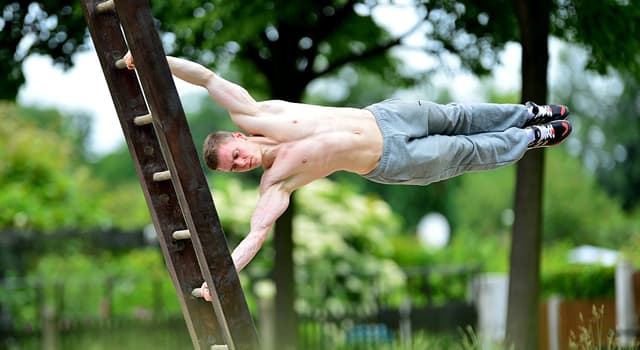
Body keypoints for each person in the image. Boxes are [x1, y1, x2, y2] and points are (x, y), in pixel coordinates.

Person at [124, 54, 571, 299]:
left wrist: (146, 59)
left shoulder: (258, 112)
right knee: (464, 151)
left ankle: (528, 113)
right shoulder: (276, 183)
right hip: (390, 160)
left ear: (238, 135)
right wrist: (217, 282)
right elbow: (255, 236)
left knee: (458, 116)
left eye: (235, 154)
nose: (241, 163)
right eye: (233, 167)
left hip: (386, 116)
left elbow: (204, 77)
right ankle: (531, 138)